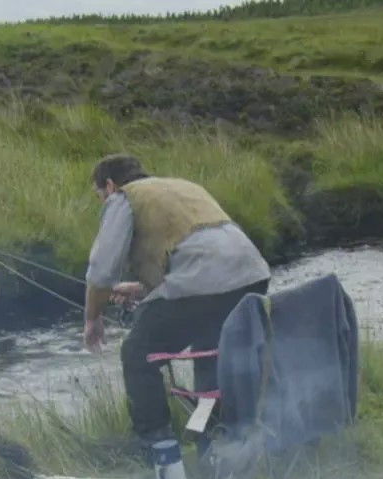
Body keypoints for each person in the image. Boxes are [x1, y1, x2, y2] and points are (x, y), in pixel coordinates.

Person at [81, 154, 270, 444]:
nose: (102, 202)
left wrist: (92, 318)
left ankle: (158, 445)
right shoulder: (184, 187)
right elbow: (197, 250)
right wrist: (143, 289)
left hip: (205, 286)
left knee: (138, 353)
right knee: (209, 353)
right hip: (252, 275)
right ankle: (213, 435)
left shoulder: (123, 197)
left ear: (109, 185)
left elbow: (102, 271)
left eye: (99, 196)